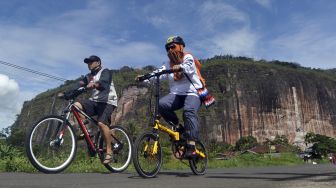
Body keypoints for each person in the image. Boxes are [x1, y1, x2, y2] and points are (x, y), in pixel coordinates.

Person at [138, 36, 203, 158]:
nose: (170, 50)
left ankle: (192, 146)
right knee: (161, 105)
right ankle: (178, 127)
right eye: (167, 48)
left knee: (188, 111)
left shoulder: (188, 57)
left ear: (181, 46)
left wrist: (180, 67)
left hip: (193, 92)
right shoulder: (167, 64)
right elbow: (159, 72)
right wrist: (145, 77)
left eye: (173, 46)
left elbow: (189, 67)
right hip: (176, 94)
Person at [74, 55, 118, 164]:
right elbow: (80, 84)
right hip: (95, 101)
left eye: (91, 62)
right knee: (76, 106)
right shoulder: (89, 76)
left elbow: (103, 83)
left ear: (98, 62)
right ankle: (88, 132)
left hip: (108, 101)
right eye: (88, 63)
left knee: (101, 124)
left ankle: (109, 152)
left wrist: (94, 84)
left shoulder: (105, 71)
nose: (89, 64)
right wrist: (68, 92)